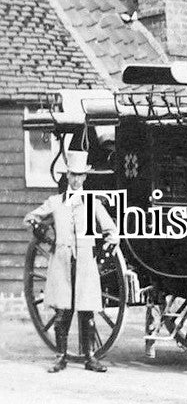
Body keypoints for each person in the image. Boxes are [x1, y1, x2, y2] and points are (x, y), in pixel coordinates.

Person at [24, 151, 119, 373]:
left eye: (80, 175)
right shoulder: (56, 202)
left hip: (85, 263)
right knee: (62, 310)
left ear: (85, 177)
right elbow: (30, 218)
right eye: (72, 175)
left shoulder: (92, 203)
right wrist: (47, 236)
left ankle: (90, 357)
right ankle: (61, 357)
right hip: (62, 262)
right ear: (67, 175)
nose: (76, 179)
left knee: (86, 310)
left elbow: (112, 232)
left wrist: (102, 258)